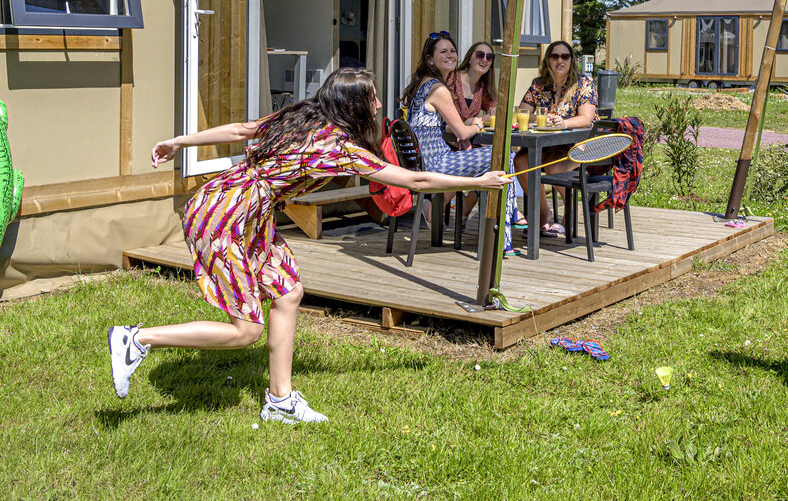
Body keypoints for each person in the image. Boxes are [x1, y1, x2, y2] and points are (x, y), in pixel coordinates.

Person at [107, 68, 508, 424]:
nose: (378, 105)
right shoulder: (338, 150)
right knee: (246, 330)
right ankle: (136, 340)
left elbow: (241, 130)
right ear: (353, 105)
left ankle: (280, 401)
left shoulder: (300, 116)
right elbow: (414, 180)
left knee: (288, 292)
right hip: (225, 216)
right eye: (372, 98)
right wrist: (478, 182)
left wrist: (179, 141)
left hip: (241, 205)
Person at [402, 32, 519, 251]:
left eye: (453, 51)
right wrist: (478, 124)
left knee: (491, 162)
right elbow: (463, 133)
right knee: (504, 155)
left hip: (423, 161)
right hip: (437, 163)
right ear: (430, 59)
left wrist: (468, 127)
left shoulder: (425, 83)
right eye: (443, 52)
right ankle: (503, 236)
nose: (450, 55)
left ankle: (500, 225)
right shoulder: (438, 88)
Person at [513, 40, 598, 237]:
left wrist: (563, 123)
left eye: (565, 56)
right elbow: (522, 114)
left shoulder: (583, 83)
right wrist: (543, 119)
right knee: (521, 161)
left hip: (579, 146)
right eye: (555, 56)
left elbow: (586, 119)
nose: (560, 60)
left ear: (571, 60)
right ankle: (543, 213)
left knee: (554, 167)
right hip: (547, 145)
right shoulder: (538, 85)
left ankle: (570, 212)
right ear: (548, 60)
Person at [447, 41, 498, 128]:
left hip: (470, 135)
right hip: (445, 134)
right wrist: (464, 126)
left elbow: (496, 112)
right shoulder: (452, 79)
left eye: (489, 57)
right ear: (469, 59)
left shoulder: (483, 87)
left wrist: (475, 120)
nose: (485, 60)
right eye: (480, 55)